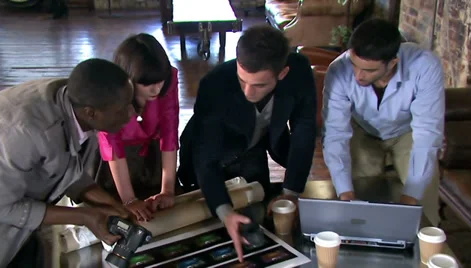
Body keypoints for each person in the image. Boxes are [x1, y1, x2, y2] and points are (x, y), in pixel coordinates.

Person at [177, 25, 317, 261]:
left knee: (258, 217)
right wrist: (224, 211)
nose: (248, 92)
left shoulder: (299, 71)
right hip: (212, 154)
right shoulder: (215, 83)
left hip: (254, 149)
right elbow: (205, 157)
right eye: (242, 81)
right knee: (212, 225)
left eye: (260, 85)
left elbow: (305, 131)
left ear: (282, 74)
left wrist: (290, 191)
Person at [0, 58, 136, 267]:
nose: (131, 115)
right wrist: (85, 216)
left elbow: (61, 165)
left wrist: (109, 204)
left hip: (20, 221)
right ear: (91, 112)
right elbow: (4, 208)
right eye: (122, 110)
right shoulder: (27, 133)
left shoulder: (79, 99)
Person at [322, 18, 445, 226]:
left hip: (408, 131)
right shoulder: (338, 70)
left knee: (424, 195)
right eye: (355, 65)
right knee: (361, 189)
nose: (358, 76)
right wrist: (345, 193)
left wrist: (411, 198)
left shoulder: (425, 66)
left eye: (369, 70)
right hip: (362, 129)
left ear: (393, 62)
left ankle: (423, 249)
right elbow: (335, 134)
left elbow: (427, 134)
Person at [96, 33, 180, 222]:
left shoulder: (168, 78)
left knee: (158, 207)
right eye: (146, 84)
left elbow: (169, 131)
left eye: (160, 81)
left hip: (150, 151)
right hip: (114, 161)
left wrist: (167, 190)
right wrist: (129, 199)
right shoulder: (109, 89)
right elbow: (112, 145)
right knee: (118, 213)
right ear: (128, 79)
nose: (156, 89)